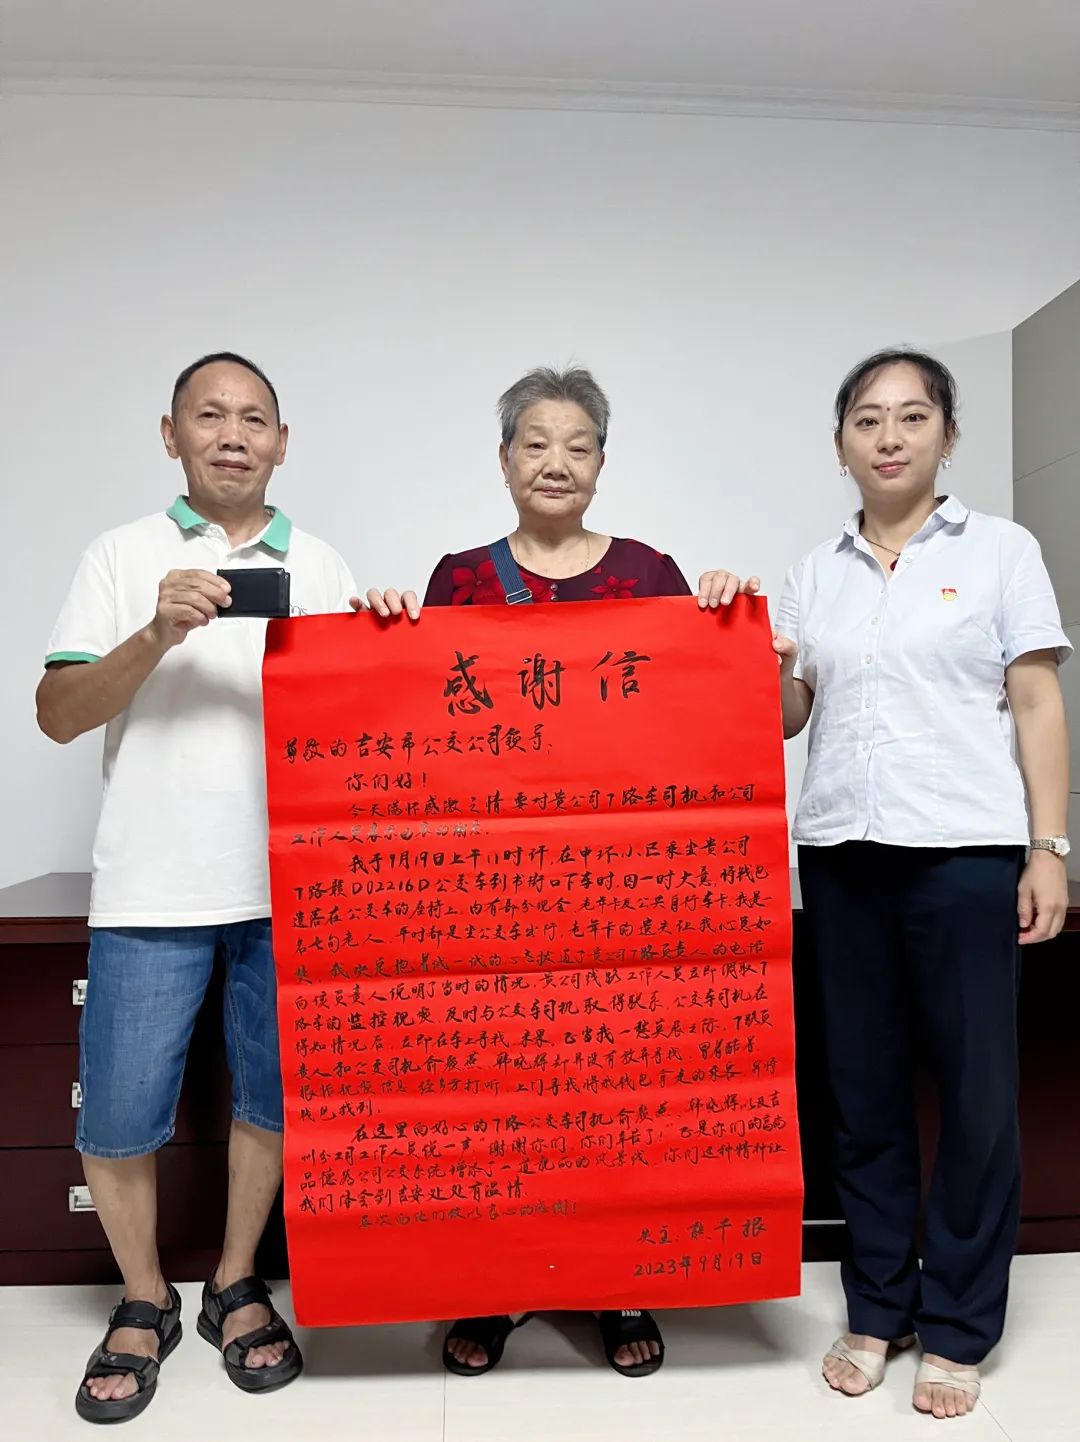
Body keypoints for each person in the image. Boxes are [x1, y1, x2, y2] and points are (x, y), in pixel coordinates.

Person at [366, 365, 758, 1378]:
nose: (555, 462)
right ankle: (497, 1282)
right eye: (535, 443)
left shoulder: (652, 570)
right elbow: (417, 726)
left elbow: (701, 711)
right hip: (495, 894)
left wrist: (723, 616)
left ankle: (617, 1279)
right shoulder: (457, 577)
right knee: (500, 1097)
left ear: (601, 462)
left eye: (576, 445)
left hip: (622, 890)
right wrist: (385, 628)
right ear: (504, 461)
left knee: (618, 1091)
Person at [37, 352, 361, 1425]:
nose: (233, 433)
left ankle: (234, 1281)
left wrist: (388, 635)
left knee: (272, 1100)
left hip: (290, 886)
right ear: (170, 434)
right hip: (150, 884)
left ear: (282, 443)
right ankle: (143, 1297)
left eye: (254, 418)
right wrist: (156, 631)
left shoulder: (322, 563)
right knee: (120, 1112)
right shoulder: (121, 554)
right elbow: (57, 713)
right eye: (209, 415)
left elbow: (368, 726)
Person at [774, 348, 1071, 1420]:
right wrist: (739, 650)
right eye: (867, 419)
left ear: (948, 434)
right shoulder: (814, 572)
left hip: (963, 858)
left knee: (979, 1101)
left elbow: (1035, 700)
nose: (889, 436)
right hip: (842, 858)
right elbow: (788, 714)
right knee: (862, 1098)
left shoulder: (1000, 551)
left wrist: (1049, 847)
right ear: (841, 443)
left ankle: (957, 1324)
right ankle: (879, 1304)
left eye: (911, 416)